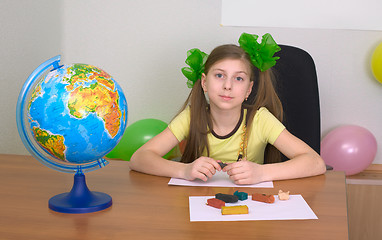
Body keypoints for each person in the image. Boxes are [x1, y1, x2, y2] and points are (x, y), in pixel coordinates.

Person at [129, 33, 326, 185]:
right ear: (204, 83)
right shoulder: (191, 117)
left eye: (238, 78)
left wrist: (262, 173)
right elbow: (139, 158)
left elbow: (315, 162)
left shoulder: (260, 120)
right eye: (220, 75)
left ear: (249, 88)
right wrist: (184, 171)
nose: (228, 86)